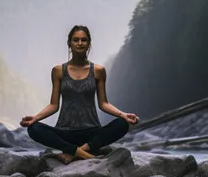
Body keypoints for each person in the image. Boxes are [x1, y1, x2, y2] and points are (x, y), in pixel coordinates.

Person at [20, 25, 139, 164]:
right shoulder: (58, 71)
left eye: (84, 40)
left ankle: (73, 153)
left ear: (89, 44)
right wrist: (35, 118)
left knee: (122, 124)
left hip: (91, 132)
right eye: (75, 40)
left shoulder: (98, 71)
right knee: (34, 129)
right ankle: (87, 155)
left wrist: (123, 115)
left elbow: (103, 103)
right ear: (69, 43)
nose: (80, 43)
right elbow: (53, 105)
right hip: (65, 132)